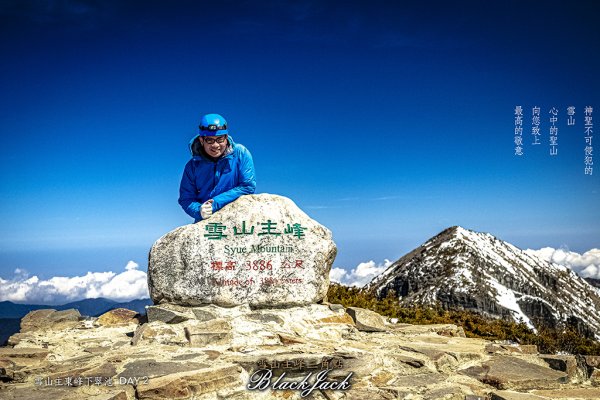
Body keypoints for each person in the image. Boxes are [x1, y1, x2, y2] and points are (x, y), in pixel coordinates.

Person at [178, 113, 256, 222]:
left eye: (220, 139)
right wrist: (198, 210)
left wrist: (215, 203)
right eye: (210, 140)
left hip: (237, 218)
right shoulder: (192, 166)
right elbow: (186, 198)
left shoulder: (241, 153)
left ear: (226, 137)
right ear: (201, 140)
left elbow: (247, 186)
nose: (215, 145)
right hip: (207, 221)